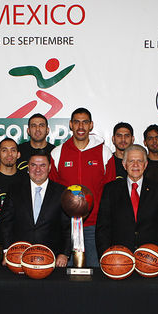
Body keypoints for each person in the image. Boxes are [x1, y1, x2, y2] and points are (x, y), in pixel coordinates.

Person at [49, 107, 115, 267]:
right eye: (77, 122)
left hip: (95, 227)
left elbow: (110, 192)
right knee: (65, 276)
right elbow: (53, 192)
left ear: (91, 125)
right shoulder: (57, 152)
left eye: (85, 122)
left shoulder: (105, 152)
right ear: (70, 125)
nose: (81, 126)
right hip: (66, 229)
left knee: (96, 274)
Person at [96, 144, 158, 256]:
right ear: (124, 164)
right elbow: (103, 227)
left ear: (145, 165)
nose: (135, 165)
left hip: (151, 257)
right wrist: (106, 255)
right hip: (119, 257)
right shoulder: (110, 190)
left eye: (139, 161)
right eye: (131, 161)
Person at [0, 151, 71, 266]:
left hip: (51, 258)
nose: (37, 170)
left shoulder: (62, 192)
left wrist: (64, 254)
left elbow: (67, 227)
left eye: (42, 165)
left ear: (49, 167)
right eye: (33, 165)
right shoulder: (15, 190)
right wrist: (7, 251)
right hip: (19, 257)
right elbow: (6, 223)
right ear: (28, 167)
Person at [0, 137, 25, 243]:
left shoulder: (26, 179)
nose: (9, 154)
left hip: (18, 241)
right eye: (4, 150)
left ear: (18, 154)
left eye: (13, 150)